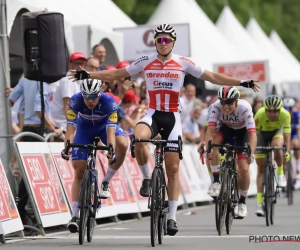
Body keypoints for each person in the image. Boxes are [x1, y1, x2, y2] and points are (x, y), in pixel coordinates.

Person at [68, 24, 260, 236]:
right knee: (138, 141)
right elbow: (118, 74)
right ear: (155, 42)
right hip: (152, 114)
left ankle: (171, 217)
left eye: (167, 40)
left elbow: (212, 77)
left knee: (173, 169)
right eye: (159, 40)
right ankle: (147, 178)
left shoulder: (182, 62)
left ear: (173, 42)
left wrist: (242, 82)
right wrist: (87, 75)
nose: (163, 43)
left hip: (172, 118)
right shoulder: (147, 60)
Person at [61, 79, 128, 233]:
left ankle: (106, 181)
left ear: (100, 94)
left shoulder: (109, 102)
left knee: (123, 144)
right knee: (79, 171)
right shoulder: (75, 100)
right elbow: (70, 128)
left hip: (104, 128)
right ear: (82, 95)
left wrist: (111, 151)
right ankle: (75, 216)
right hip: (84, 130)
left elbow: (111, 131)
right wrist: (67, 147)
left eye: (93, 97)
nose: (90, 101)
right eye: (87, 97)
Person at [205, 86, 257, 218]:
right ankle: (216, 182)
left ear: (236, 101)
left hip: (243, 132)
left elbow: (252, 134)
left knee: (244, 168)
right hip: (226, 128)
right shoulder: (215, 107)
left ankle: (242, 202)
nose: (225, 106)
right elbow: (210, 130)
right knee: (214, 143)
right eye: (223, 102)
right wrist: (208, 149)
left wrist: (251, 153)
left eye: (229, 103)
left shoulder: (245, 108)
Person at [254, 95, 291, 216]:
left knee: (277, 146)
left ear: (280, 110)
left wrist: (287, 151)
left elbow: (287, 137)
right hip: (262, 134)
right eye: (269, 111)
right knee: (260, 167)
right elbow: (253, 134)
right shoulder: (259, 114)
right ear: (265, 110)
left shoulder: (285, 115)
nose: (272, 114)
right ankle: (260, 204)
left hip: (277, 132)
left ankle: (280, 174)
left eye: (275, 111)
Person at [283, 97, 300, 176]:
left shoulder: (297, 115)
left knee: (296, 145)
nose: (288, 111)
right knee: (285, 149)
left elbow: (298, 130)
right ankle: (284, 168)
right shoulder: (282, 115)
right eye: (286, 108)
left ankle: (297, 165)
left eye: (289, 109)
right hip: (284, 134)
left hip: (293, 134)